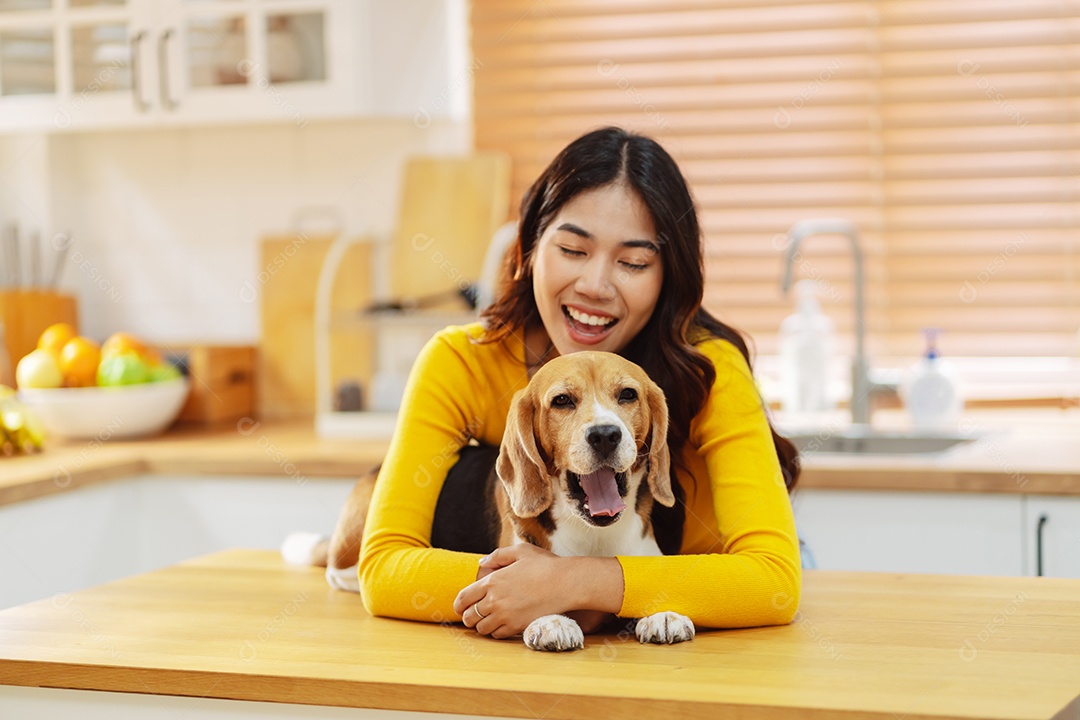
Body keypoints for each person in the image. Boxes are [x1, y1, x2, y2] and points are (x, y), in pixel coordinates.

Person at [359, 126, 801, 639]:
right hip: (632, 607)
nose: (594, 286)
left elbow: (773, 582)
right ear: (528, 247)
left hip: (710, 599)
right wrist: (537, 588)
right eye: (572, 250)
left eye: (633, 262)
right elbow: (385, 568)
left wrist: (572, 584)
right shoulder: (459, 361)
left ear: (667, 276)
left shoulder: (710, 366)